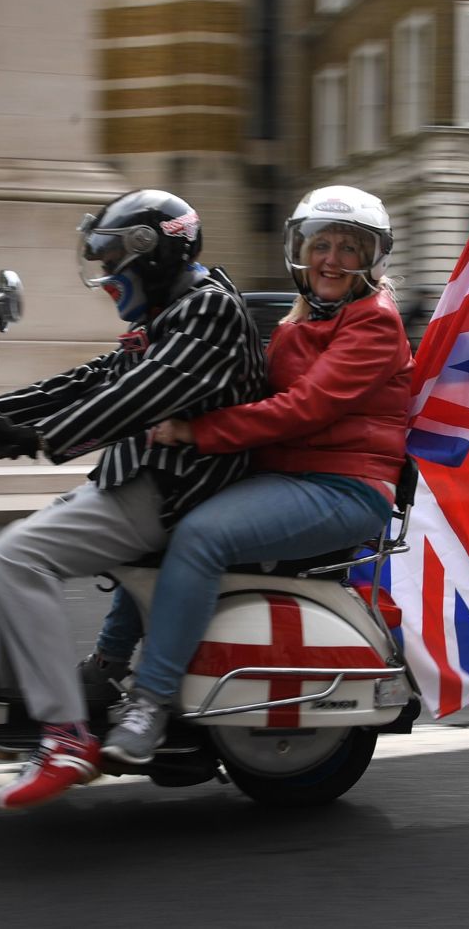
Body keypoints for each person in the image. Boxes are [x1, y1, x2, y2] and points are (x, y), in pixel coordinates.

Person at [0, 188, 266, 811]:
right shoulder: (173, 309)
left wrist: (40, 437)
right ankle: (19, 704)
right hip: (137, 481)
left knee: (11, 561)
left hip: (169, 493)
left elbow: (145, 393)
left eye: (113, 264)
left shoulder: (209, 311)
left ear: (150, 255)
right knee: (8, 556)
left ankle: (65, 737)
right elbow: (97, 377)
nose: (107, 279)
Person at [97, 184, 413, 765]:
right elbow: (248, 388)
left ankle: (152, 701)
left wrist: (197, 433)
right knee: (162, 508)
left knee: (201, 536)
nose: (332, 260)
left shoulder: (375, 325)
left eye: (350, 247)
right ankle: (106, 667)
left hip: (342, 488)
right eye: (321, 244)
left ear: (372, 259)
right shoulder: (297, 325)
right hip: (286, 478)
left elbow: (303, 409)